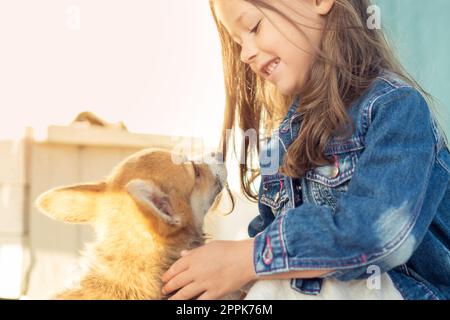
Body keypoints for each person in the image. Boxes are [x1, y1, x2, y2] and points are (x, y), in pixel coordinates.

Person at [161, 0, 450, 300]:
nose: (246, 52)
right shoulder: (282, 143)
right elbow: (270, 262)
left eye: (254, 27)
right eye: (238, 42)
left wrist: (249, 258)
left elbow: (375, 236)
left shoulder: (396, 109)